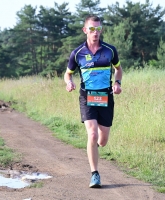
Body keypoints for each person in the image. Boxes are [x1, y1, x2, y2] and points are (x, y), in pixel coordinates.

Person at [64, 15, 123, 188]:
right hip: (87, 96)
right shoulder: (77, 53)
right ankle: (94, 174)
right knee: (92, 133)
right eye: (91, 29)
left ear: (101, 30)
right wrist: (69, 82)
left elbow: (118, 70)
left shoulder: (110, 51)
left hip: (105, 97)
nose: (95, 32)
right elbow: (68, 73)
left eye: (98, 29)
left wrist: (117, 83)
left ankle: (95, 147)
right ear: (85, 30)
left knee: (102, 140)